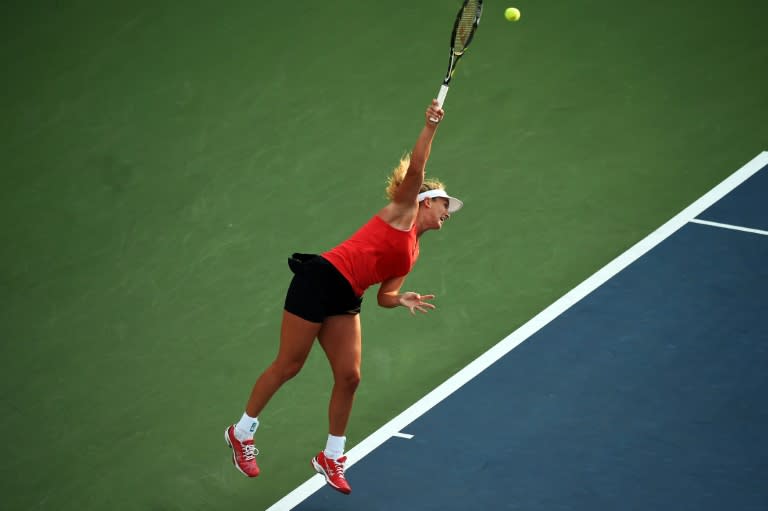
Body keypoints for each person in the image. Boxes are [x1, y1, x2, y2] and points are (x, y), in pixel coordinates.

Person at [224, 99, 463, 494]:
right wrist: (430, 127)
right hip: (320, 279)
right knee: (289, 365)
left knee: (350, 377)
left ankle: (331, 456)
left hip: (347, 296)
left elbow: (384, 296)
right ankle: (241, 432)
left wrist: (402, 299)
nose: (448, 212)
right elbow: (418, 167)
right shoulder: (402, 209)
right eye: (444, 203)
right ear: (423, 201)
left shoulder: (414, 251)